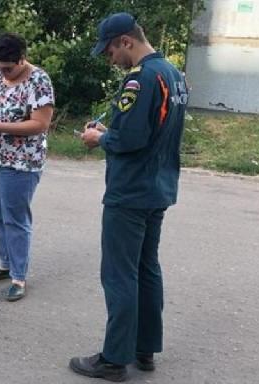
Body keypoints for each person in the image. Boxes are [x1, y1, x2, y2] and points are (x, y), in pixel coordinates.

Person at [69, 13, 189, 381]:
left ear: (125, 41)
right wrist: (111, 130)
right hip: (158, 187)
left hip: (131, 191)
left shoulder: (141, 78)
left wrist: (99, 138)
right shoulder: (173, 74)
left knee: (120, 274)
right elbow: (149, 129)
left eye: (109, 50)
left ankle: (114, 359)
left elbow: (131, 139)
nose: (110, 58)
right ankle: (145, 349)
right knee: (146, 269)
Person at [0, 32, 54, 301]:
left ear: (21, 60)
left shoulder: (39, 80)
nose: (3, 73)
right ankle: (5, 264)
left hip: (21, 161)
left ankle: (19, 277)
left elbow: (40, 124)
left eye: (8, 68)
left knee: (15, 220)